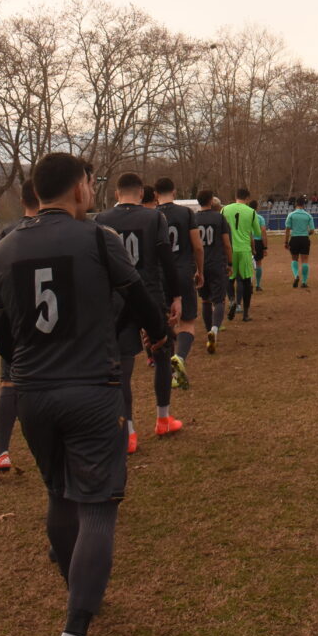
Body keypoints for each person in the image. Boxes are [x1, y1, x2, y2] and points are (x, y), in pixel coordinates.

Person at [0, 151, 168, 636]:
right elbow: (142, 301)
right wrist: (156, 337)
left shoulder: (1, 249)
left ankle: (78, 588)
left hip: (32, 394)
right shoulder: (97, 239)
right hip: (90, 388)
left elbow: (3, 335)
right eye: (91, 182)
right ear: (81, 188)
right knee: (98, 507)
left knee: (60, 496)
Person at [96, 173, 183, 452]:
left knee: (122, 365)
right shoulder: (154, 218)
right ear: (142, 192)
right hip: (150, 294)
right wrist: (176, 296)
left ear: (116, 192)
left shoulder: (100, 220)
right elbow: (167, 260)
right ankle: (163, 418)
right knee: (162, 353)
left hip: (115, 299)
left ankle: (129, 431)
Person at [0, 178, 40, 480]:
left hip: (14, 323)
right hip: (53, 323)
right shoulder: (61, 231)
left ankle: (1, 451)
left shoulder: (7, 234)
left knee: (10, 384)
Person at [154, 177, 203, 390]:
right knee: (188, 321)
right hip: (182, 272)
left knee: (163, 323)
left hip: (160, 275)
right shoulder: (186, 213)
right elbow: (197, 246)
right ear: (174, 191)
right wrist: (200, 270)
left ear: (155, 194)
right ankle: (180, 358)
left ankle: (165, 366)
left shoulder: (152, 215)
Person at [194, 191, 232, 353]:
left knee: (205, 300)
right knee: (219, 300)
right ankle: (215, 330)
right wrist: (230, 262)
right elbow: (226, 244)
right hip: (216, 263)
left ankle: (209, 330)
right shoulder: (219, 218)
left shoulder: (193, 218)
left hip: (200, 265)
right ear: (211, 201)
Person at [222, 188, 258, 321]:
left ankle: (231, 300)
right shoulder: (251, 211)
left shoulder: (224, 209)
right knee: (246, 280)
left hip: (229, 249)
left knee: (229, 278)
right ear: (247, 198)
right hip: (244, 249)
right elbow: (257, 232)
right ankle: (246, 314)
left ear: (235, 196)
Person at [284, 196, 314, 288]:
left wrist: (286, 242)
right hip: (304, 238)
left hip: (294, 238)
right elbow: (312, 230)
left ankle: (296, 275)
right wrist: (306, 234)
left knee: (294, 259)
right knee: (305, 260)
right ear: (304, 204)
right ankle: (304, 282)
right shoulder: (308, 215)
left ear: (296, 204)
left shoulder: (291, 215)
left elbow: (287, 229)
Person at [249, 199, 267, 292]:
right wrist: (265, 247)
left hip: (247, 241)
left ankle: (249, 284)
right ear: (256, 207)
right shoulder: (260, 218)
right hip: (258, 242)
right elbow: (263, 231)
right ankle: (258, 285)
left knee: (248, 264)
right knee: (259, 263)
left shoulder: (246, 217)